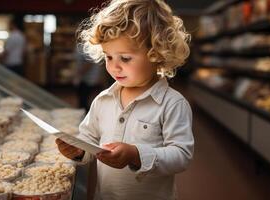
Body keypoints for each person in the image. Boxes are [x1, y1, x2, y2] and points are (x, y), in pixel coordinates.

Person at [56, 0, 194, 199]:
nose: (114, 67)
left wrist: (137, 155)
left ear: (156, 53)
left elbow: (181, 155)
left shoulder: (171, 103)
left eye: (125, 58)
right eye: (108, 57)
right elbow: (89, 138)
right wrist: (78, 150)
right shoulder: (103, 100)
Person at [74, 45, 104, 112]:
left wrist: (79, 73)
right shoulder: (81, 46)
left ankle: (86, 117)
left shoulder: (88, 46)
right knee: (83, 100)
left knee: (85, 102)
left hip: (89, 79)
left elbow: (89, 63)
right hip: (84, 78)